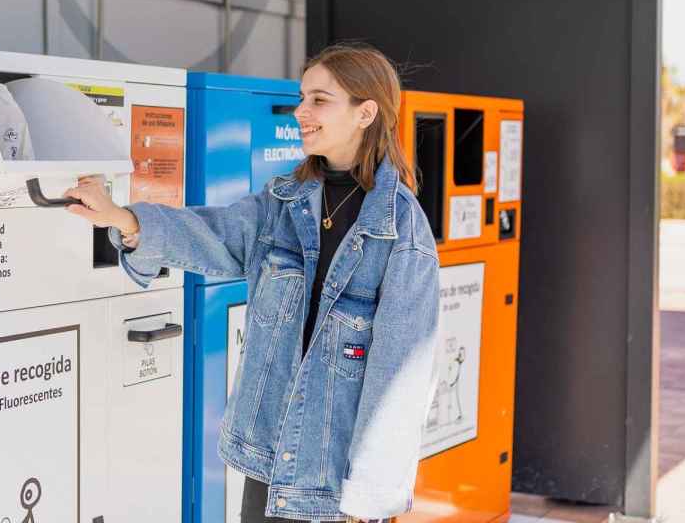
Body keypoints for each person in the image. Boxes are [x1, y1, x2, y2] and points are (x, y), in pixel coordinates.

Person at [64, 43, 440, 523]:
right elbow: (212, 235)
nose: (301, 111)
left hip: (333, 483)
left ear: (366, 112)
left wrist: (366, 499)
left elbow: (402, 377)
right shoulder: (284, 202)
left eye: (319, 100)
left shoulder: (400, 232)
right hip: (267, 457)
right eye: (303, 98)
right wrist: (123, 218)